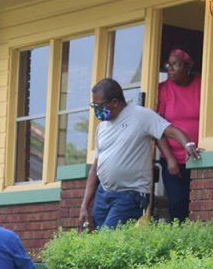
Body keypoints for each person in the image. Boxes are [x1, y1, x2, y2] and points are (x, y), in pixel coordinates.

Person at [78, 77, 200, 230]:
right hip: (104, 194)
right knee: (100, 242)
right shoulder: (101, 128)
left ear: (115, 102)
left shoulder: (141, 116)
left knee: (107, 237)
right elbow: (95, 168)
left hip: (130, 195)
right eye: (93, 105)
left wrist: (187, 144)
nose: (96, 110)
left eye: (99, 105)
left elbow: (171, 131)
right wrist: (84, 206)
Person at [156, 47, 202, 222]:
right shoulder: (164, 89)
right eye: (169, 64)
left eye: (176, 65)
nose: (171, 69)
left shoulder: (201, 84)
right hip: (173, 158)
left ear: (187, 67)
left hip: (199, 157)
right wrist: (169, 159)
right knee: (177, 202)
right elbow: (157, 128)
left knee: (197, 203)